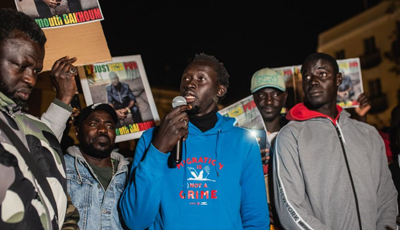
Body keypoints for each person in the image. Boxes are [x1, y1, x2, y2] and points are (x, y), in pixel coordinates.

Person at [119, 53, 269, 229]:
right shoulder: (151, 138)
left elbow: (256, 218)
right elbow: (135, 221)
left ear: (220, 90)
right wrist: (158, 149)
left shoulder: (243, 142)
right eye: (186, 78)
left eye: (201, 79)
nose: (190, 84)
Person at [273, 52, 398, 229]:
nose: (313, 81)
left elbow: (387, 196)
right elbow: (290, 207)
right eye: (307, 76)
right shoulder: (290, 136)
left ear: (339, 79)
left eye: (322, 73)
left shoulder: (368, 134)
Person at [0, 8, 80, 230]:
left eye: (36, 70)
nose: (31, 80)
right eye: (22, 66)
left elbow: (40, 145)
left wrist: (65, 97)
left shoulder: (23, 122)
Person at [65, 103, 130, 229]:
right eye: (94, 124)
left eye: (109, 126)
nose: (103, 130)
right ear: (77, 132)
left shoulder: (129, 174)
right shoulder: (61, 167)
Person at [250, 67, 288, 229]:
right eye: (262, 95)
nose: (269, 101)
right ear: (253, 99)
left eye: (275, 94)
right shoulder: (242, 138)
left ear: (284, 97)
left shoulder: (295, 134)